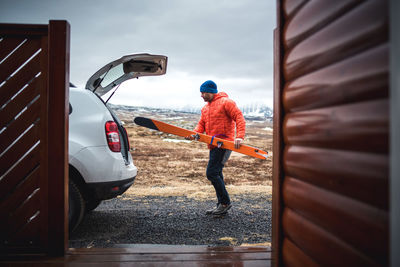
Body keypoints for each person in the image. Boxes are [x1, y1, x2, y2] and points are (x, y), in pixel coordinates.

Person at [186, 80, 246, 215]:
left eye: (204, 92)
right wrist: (193, 134)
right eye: (201, 92)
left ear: (211, 92)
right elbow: (201, 125)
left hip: (224, 144)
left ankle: (225, 203)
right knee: (217, 173)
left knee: (211, 173)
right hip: (213, 145)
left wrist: (239, 137)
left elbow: (239, 117)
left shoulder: (226, 102)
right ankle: (221, 204)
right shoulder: (205, 108)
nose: (201, 95)